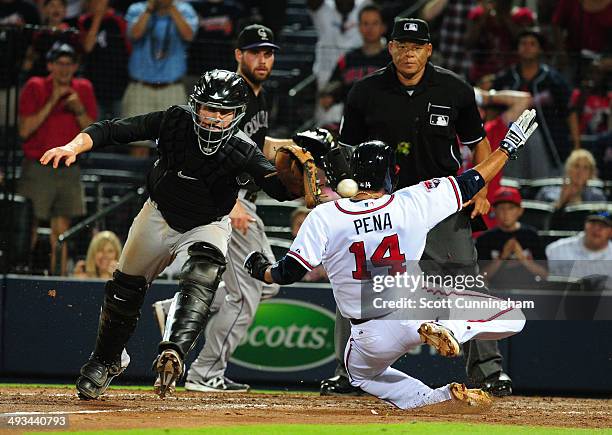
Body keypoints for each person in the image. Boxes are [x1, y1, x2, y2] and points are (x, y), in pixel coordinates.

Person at [244, 110, 537, 408]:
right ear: (393, 174)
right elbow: (473, 180)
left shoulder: (325, 216)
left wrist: (261, 269)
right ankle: (453, 330)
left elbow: (288, 272)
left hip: (368, 337)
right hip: (417, 314)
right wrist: (507, 148)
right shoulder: (414, 202)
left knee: (361, 376)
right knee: (513, 315)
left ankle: (436, 397)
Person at [39, 69, 297, 400]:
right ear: (196, 106)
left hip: (209, 221)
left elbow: (277, 187)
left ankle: (173, 350)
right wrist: (74, 146)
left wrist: (298, 179)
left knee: (203, 272)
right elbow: (113, 129)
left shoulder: (242, 149)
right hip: (159, 213)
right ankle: (106, 360)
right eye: (209, 109)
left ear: (236, 115)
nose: (216, 119)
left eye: (224, 112)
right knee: (123, 291)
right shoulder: (174, 121)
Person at [335, 17, 513, 397]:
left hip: (442, 200)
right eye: (402, 45)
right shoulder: (365, 92)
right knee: (361, 282)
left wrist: (482, 191)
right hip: (384, 204)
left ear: (429, 50)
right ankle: (347, 371)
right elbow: (346, 150)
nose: (408, 53)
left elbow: (478, 143)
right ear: (391, 48)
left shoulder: (454, 89)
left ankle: (488, 370)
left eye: (416, 47)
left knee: (464, 279)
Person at [181, 24, 302, 393]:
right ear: (238, 55)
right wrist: (230, 201)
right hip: (230, 205)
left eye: (268, 53)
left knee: (268, 285)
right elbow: (208, 151)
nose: (262, 59)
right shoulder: (230, 96)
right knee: (245, 294)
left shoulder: (259, 96)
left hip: (244, 203)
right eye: (254, 52)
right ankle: (204, 373)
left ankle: (180, 307)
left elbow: (253, 146)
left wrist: (294, 146)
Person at [17, 42, 97, 275]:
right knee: (28, 226)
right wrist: (53, 100)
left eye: (69, 63)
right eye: (59, 63)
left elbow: (92, 132)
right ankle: (19, 276)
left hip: (69, 167)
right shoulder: (35, 86)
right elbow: (24, 131)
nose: (64, 69)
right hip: (38, 167)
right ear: (50, 65)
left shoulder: (83, 88)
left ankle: (59, 283)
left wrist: (78, 109)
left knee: (62, 231)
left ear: (75, 66)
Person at [493, 28, 572, 179]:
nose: (527, 47)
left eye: (532, 44)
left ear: (540, 49)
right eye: (523, 43)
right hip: (510, 139)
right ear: (517, 48)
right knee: (511, 181)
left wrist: (575, 143)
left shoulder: (553, 80)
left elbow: (570, 112)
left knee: (543, 182)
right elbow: (493, 112)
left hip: (547, 141)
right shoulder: (505, 78)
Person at [122, 0, 198, 157]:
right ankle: (137, 182)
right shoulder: (137, 9)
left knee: (173, 146)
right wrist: (150, 9)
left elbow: (189, 35)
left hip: (171, 88)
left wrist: (171, 8)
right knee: (138, 145)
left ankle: (165, 182)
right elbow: (134, 34)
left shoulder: (185, 10)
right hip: (140, 88)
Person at [315, 4, 390, 129]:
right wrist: (329, 95)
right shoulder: (347, 59)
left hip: (383, 124)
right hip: (352, 124)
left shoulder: (391, 58)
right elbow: (331, 89)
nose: (369, 29)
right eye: (365, 24)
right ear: (359, 27)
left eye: (375, 23)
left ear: (383, 27)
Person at [476, 187, 547, 289]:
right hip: (495, 293)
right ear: (494, 210)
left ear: (520, 210)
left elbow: (545, 274)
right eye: (501, 208)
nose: (506, 213)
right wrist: (502, 257)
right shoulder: (485, 239)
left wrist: (523, 259)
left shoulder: (532, 236)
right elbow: (479, 277)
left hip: (529, 293)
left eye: (511, 208)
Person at [78, 0, 131, 120]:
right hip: (95, 86)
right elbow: (88, 47)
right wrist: (97, 18)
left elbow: (129, 50)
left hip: (118, 86)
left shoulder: (119, 20)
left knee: (119, 131)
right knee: (97, 131)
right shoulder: (85, 21)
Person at [307, 0, 367, 90]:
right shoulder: (324, 8)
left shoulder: (364, 6)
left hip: (356, 78)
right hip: (326, 80)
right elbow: (313, 4)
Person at [546, 212, 612, 279]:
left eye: (603, 226)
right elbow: (548, 281)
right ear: (584, 225)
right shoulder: (557, 249)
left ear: (611, 232)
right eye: (593, 223)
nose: (596, 229)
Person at [535, 149, 606, 209]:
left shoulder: (598, 197)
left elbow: (604, 218)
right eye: (576, 166)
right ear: (568, 169)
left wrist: (580, 207)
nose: (580, 171)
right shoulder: (547, 193)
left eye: (585, 168)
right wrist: (560, 202)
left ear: (590, 174)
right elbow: (538, 220)